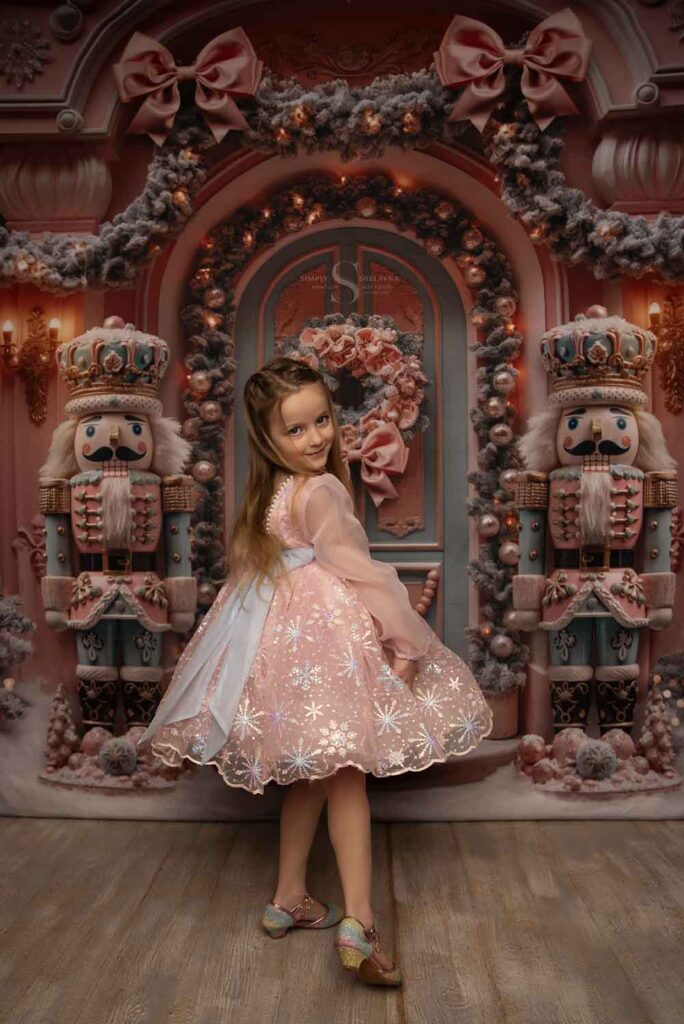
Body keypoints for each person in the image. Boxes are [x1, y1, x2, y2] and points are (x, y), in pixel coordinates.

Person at [137, 356, 493, 987]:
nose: (316, 438)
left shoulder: (273, 495)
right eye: (295, 431)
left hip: (288, 643)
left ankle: (287, 898)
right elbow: (360, 571)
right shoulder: (322, 489)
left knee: (311, 773)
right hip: (325, 639)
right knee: (344, 773)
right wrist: (405, 641)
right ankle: (358, 918)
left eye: (321, 420)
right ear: (268, 439)